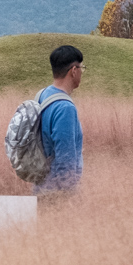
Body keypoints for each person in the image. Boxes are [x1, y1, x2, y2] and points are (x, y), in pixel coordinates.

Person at [34, 45, 85, 194]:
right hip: (56, 192)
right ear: (74, 71)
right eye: (82, 68)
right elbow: (65, 161)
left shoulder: (42, 95)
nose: (82, 72)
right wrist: (67, 198)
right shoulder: (65, 108)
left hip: (40, 187)